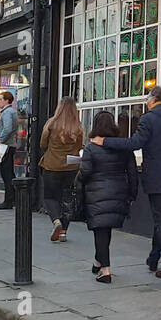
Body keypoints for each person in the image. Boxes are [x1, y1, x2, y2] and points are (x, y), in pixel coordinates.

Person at [101, 86, 161, 280]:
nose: (146, 101)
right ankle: (153, 258)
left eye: (147, 98)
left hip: (158, 176)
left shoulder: (148, 118)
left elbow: (134, 143)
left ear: (154, 99)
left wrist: (106, 142)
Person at [79, 111, 138, 283]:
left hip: (97, 192)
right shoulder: (123, 148)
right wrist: (132, 194)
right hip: (118, 191)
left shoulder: (91, 147)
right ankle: (98, 261)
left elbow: (86, 172)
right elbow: (133, 173)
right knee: (105, 229)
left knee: (100, 230)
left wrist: (78, 180)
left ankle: (105, 271)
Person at [39, 96, 84, 243]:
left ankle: (56, 221)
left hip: (52, 165)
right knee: (67, 198)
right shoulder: (78, 126)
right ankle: (63, 231)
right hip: (71, 167)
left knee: (50, 197)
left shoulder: (51, 124)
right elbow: (80, 146)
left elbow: (43, 144)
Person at [0, 91, 18, 210]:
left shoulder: (7, 112)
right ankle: (13, 199)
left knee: (6, 173)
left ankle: (9, 201)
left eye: (0, 99)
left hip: (6, 146)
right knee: (9, 173)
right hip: (10, 145)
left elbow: (7, 129)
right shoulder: (10, 112)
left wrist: (0, 141)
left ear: (7, 100)